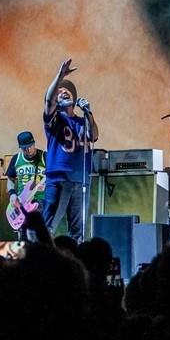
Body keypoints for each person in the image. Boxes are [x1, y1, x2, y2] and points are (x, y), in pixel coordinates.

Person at [42, 58, 98, 241]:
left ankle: (75, 265)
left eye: (67, 91)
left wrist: (88, 112)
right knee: (47, 227)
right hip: (59, 179)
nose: (63, 92)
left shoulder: (82, 121)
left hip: (80, 181)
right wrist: (60, 76)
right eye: (60, 91)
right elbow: (48, 100)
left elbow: (94, 136)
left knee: (77, 232)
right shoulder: (55, 119)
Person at [5, 130, 47, 241]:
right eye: (24, 148)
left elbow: (55, 179)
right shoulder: (16, 159)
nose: (28, 150)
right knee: (23, 239)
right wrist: (12, 194)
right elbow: (10, 179)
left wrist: (48, 186)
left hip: (41, 201)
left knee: (40, 237)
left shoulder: (45, 157)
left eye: (30, 146)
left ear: (34, 143)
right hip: (22, 202)